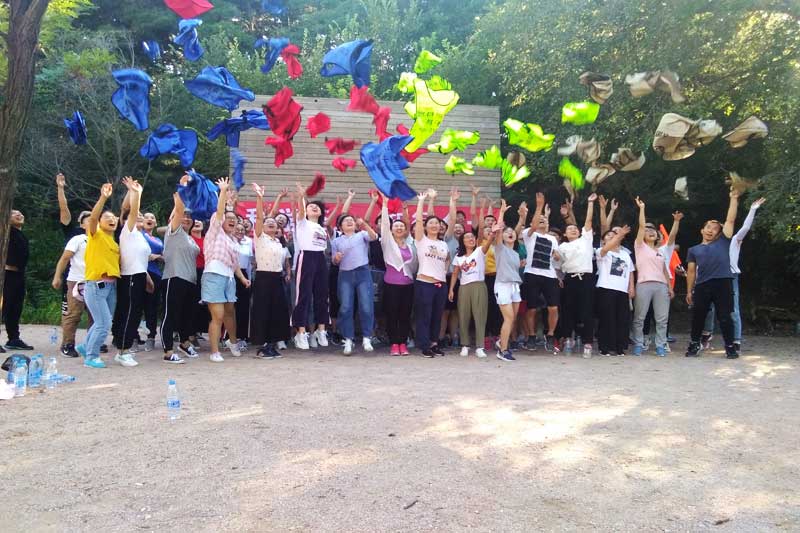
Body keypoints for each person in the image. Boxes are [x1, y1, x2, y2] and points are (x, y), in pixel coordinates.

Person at [701, 197, 765, 354]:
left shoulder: (735, 240)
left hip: (730, 276)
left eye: (719, 227)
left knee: (733, 310)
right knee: (708, 307)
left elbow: (745, 227)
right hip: (712, 277)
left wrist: (753, 209)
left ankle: (735, 341)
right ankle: (706, 334)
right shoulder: (708, 245)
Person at [685, 189, 741, 358]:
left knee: (725, 316)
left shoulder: (723, 241)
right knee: (699, 316)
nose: (711, 230)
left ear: (719, 233)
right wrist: (689, 291)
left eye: (715, 228)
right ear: (702, 230)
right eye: (708, 227)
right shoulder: (693, 250)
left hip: (723, 282)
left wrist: (733, 198)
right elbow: (691, 271)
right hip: (702, 285)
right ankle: (695, 344)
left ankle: (730, 346)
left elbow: (730, 219)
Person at [200, 177, 250, 362]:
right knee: (218, 316)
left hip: (229, 278)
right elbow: (220, 213)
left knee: (230, 313)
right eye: (228, 219)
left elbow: (234, 264)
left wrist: (242, 278)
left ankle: (233, 341)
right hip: (214, 275)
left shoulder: (233, 240)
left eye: (234, 219)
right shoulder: (215, 232)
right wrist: (222, 192)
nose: (232, 221)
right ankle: (215, 351)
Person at [631, 199, 680, 357]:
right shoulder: (640, 247)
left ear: (658, 235)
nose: (650, 232)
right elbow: (641, 226)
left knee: (662, 318)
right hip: (643, 284)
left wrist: (670, 287)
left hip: (661, 286)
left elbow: (665, 269)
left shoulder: (662, 251)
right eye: (646, 231)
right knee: (639, 317)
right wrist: (642, 208)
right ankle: (638, 344)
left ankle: (660, 345)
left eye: (652, 230)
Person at [110, 177, 150, 367]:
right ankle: (123, 350)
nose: (139, 216)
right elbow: (130, 210)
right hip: (130, 277)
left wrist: (148, 279)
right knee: (130, 313)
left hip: (139, 275)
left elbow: (140, 260)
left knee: (134, 313)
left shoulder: (140, 236)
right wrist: (136, 193)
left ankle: (123, 347)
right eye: (137, 215)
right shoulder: (128, 230)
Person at [80, 183, 120, 368]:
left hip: (111, 286)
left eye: (113, 218)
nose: (112, 220)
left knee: (102, 321)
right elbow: (94, 217)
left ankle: (85, 346)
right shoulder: (96, 235)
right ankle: (91, 356)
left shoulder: (113, 242)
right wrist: (103, 197)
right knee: (103, 323)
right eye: (107, 217)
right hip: (96, 285)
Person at [249, 183, 291, 359]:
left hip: (277, 279)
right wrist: (259, 197)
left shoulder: (278, 243)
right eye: (268, 222)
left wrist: (279, 198)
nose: (271, 223)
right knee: (263, 312)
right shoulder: (260, 238)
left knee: (278, 312)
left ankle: (272, 345)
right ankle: (262, 347)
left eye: (273, 223)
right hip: (263, 279)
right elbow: (260, 217)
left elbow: (270, 217)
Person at [159, 189, 201, 364]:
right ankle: (168, 351)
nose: (186, 218)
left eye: (189, 217)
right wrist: (182, 191)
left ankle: (184, 343)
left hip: (190, 280)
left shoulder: (190, 238)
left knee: (186, 315)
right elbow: (178, 211)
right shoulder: (174, 231)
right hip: (174, 277)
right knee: (170, 314)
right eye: (184, 216)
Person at [290, 183, 330, 350]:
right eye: (310, 206)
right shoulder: (303, 223)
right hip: (306, 257)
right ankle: (301, 332)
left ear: (321, 213)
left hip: (320, 258)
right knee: (304, 295)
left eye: (317, 207)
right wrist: (301, 197)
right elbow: (300, 211)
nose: (314, 207)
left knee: (322, 295)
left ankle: (321, 330)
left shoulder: (321, 228)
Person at [331, 213, 378, 355]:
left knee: (366, 306)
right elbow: (334, 261)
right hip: (345, 275)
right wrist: (337, 258)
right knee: (345, 307)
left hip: (363, 273)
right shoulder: (336, 241)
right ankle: (348, 339)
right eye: (346, 221)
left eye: (351, 220)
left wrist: (364, 224)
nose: (349, 222)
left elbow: (374, 236)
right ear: (340, 227)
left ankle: (367, 337)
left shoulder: (362, 234)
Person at [557, 193, 597, 358]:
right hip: (570, 279)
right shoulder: (562, 246)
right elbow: (556, 264)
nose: (573, 230)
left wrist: (590, 203)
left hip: (586, 278)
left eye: (575, 228)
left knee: (587, 311)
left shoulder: (585, 240)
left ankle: (587, 342)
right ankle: (568, 339)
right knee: (568, 310)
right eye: (569, 229)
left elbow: (588, 222)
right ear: (565, 234)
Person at [522, 193, 562, 353]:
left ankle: (550, 335)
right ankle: (531, 336)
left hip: (550, 276)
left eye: (544, 220)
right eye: (539, 219)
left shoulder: (552, 239)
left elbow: (556, 256)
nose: (542, 221)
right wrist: (539, 206)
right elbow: (533, 225)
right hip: (532, 274)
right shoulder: (529, 234)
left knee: (553, 308)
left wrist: (557, 255)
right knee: (532, 308)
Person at [51, 210, 93, 357]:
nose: (94, 222)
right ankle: (67, 344)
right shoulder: (78, 239)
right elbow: (64, 258)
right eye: (89, 220)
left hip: (96, 281)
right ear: (82, 225)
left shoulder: (103, 239)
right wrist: (57, 277)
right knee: (74, 314)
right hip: (77, 280)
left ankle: (92, 343)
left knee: (95, 315)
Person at [414, 190, 450, 357]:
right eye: (431, 223)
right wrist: (422, 201)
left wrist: (444, 271)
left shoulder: (443, 244)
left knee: (437, 315)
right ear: (426, 226)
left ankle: (434, 343)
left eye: (437, 223)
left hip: (440, 284)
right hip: (424, 284)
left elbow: (447, 259)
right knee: (424, 316)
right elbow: (419, 220)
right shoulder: (421, 240)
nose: (434, 225)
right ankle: (424, 345)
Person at [379, 193, 416, 356]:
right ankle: (394, 343)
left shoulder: (410, 245)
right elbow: (384, 225)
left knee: (405, 315)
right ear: (392, 230)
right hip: (391, 285)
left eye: (402, 226)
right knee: (392, 315)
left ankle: (403, 342)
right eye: (396, 226)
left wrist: (405, 211)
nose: (399, 228)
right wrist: (385, 205)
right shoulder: (387, 242)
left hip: (408, 285)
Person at [449, 220, 492, 358]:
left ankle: (480, 346)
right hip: (463, 288)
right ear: (462, 241)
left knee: (480, 316)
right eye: (467, 237)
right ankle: (465, 345)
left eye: (472, 237)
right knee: (463, 316)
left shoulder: (480, 251)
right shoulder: (458, 257)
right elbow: (455, 273)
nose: (470, 239)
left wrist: (493, 233)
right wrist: (451, 289)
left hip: (479, 286)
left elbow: (489, 242)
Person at [596, 226, 635, 356]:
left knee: (622, 319)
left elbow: (630, 271)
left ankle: (619, 347)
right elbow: (606, 248)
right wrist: (619, 235)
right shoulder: (602, 251)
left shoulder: (625, 254)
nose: (612, 236)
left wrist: (631, 287)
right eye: (608, 235)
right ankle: (605, 347)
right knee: (607, 319)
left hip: (622, 290)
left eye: (614, 235)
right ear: (603, 241)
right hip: (606, 288)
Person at [492, 200, 521, 361]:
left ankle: (500, 341)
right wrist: (501, 212)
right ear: (502, 236)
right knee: (508, 319)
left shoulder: (516, 254)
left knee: (512, 319)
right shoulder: (500, 248)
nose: (510, 233)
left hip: (515, 287)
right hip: (502, 285)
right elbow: (498, 231)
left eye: (512, 232)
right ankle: (503, 350)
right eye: (506, 231)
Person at [3, 209, 33, 351]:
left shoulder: (20, 234)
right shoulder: (5, 232)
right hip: (6, 274)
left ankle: (13, 339)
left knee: (15, 308)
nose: (19, 215)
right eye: (14, 213)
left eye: (20, 213)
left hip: (19, 275)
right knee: (4, 306)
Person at [140, 212, 163, 351]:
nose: (149, 219)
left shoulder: (159, 240)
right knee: (137, 305)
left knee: (152, 307)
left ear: (155, 223)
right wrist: (148, 256)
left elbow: (165, 256)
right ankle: (133, 337)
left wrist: (158, 257)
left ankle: (151, 337)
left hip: (156, 274)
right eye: (146, 217)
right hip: (140, 271)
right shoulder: (138, 235)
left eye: (152, 218)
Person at [234, 221, 253, 350]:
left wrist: (249, 279)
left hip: (244, 275)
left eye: (242, 230)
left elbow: (249, 264)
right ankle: (228, 337)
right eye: (237, 229)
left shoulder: (248, 243)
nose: (240, 231)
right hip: (230, 274)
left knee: (243, 308)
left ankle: (242, 337)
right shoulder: (228, 242)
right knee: (230, 307)